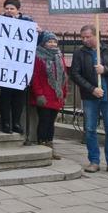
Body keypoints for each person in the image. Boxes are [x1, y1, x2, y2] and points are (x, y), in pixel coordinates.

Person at [70, 24, 108, 176]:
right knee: (90, 129)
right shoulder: (79, 53)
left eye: (88, 37)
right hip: (91, 97)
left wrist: (105, 70)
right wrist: (92, 89)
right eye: (82, 37)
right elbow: (75, 74)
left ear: (96, 36)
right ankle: (94, 161)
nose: (85, 40)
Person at [0, 0, 35, 134]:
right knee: (5, 94)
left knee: (19, 95)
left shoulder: (27, 22)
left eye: (11, 8)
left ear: (18, 10)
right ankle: (6, 122)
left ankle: (16, 122)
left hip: (21, 65)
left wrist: (38, 31)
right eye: (6, 8)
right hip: (5, 63)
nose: (9, 11)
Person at [30, 31, 67, 159]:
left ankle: (50, 146)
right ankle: (42, 146)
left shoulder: (59, 56)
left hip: (56, 95)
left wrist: (64, 94)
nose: (52, 44)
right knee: (44, 121)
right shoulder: (38, 56)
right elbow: (35, 77)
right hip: (44, 96)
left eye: (54, 42)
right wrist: (39, 94)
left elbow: (64, 77)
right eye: (49, 41)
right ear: (44, 43)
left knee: (51, 122)